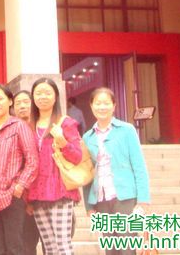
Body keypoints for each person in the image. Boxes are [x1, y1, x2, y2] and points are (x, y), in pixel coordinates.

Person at [83, 87, 150, 255]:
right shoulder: (87, 137)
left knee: (127, 245)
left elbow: (139, 166)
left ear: (114, 106)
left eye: (106, 103)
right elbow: (87, 173)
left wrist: (143, 200)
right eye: (98, 103)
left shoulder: (127, 130)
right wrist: (89, 206)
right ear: (91, 106)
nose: (102, 107)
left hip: (124, 198)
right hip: (101, 200)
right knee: (110, 248)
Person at [0, 84, 39, 255]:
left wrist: (20, 186)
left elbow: (32, 160)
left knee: (15, 246)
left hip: (12, 196)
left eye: (0, 99)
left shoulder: (19, 126)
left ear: (10, 101)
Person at [28, 78, 82, 255]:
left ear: (56, 96)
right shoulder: (30, 126)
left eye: (47, 93)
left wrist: (62, 140)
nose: (43, 97)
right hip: (38, 192)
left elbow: (77, 156)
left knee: (63, 246)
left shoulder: (65, 123)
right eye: (38, 93)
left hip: (60, 191)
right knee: (49, 246)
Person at [12, 90, 44, 255]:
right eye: (18, 103)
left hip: (44, 196)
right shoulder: (11, 131)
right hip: (22, 199)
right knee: (27, 245)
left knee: (49, 245)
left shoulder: (41, 129)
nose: (22, 106)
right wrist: (27, 200)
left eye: (26, 102)